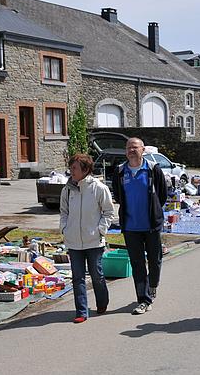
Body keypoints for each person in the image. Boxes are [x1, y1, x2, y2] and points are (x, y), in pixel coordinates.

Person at [111, 137, 169, 315]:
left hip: (151, 225)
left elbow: (162, 195)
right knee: (137, 264)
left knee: (155, 260)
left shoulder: (153, 170)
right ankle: (143, 299)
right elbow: (119, 196)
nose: (131, 150)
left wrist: (153, 212)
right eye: (128, 148)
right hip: (130, 227)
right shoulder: (120, 171)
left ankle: (153, 285)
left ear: (143, 150)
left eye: (135, 147)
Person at [60, 153, 115, 323]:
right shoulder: (67, 189)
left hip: (94, 241)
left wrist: (100, 231)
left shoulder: (99, 188)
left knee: (96, 275)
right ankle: (81, 312)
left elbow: (108, 212)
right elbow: (64, 212)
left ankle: (102, 302)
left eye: (74, 168)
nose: (71, 171)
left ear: (85, 169)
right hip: (74, 241)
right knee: (77, 277)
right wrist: (65, 229)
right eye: (71, 167)